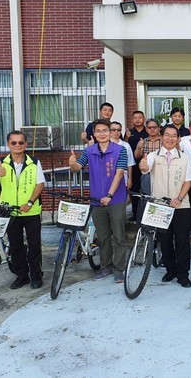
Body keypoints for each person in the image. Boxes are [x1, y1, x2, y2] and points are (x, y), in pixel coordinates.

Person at [69, 119, 128, 283]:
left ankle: (119, 269)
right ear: (93, 134)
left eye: (105, 130)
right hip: (96, 200)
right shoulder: (89, 151)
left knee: (118, 236)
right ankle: (105, 267)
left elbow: (119, 174)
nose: (102, 133)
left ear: (110, 132)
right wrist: (72, 164)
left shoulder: (120, 150)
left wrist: (108, 196)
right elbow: (77, 168)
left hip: (115, 199)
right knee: (102, 237)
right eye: (98, 131)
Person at [0, 131, 45, 289]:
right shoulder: (0, 162)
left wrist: (30, 202)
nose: (17, 145)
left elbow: (40, 184)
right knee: (15, 245)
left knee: (34, 245)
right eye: (14, 143)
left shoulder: (34, 162)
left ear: (25, 144)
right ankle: (22, 275)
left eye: (21, 142)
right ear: (8, 145)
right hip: (10, 211)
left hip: (30, 211)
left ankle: (36, 275)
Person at [140, 125, 191, 288]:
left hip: (181, 205)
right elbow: (145, 168)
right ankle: (170, 271)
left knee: (182, 241)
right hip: (160, 205)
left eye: (174, 135)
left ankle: (183, 274)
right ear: (161, 137)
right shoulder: (153, 156)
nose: (170, 138)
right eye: (167, 135)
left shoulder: (184, 158)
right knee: (165, 240)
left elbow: (188, 180)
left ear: (178, 139)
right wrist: (143, 165)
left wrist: (179, 197)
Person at [126, 111, 149, 221]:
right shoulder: (129, 133)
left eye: (140, 117)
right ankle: (135, 213)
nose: (138, 120)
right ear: (132, 120)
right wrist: (127, 138)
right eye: (135, 118)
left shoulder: (148, 131)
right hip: (133, 166)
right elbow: (123, 147)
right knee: (134, 190)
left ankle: (147, 213)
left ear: (144, 118)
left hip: (147, 165)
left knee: (147, 190)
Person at [110, 121, 135, 191]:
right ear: (109, 131)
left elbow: (130, 163)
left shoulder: (126, 145)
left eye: (118, 130)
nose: (116, 132)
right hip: (108, 177)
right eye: (114, 129)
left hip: (124, 177)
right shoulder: (105, 145)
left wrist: (129, 179)